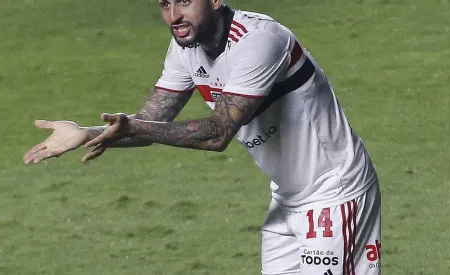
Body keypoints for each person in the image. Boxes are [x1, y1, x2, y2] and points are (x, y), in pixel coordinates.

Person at [23, 1, 381, 274]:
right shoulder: (185, 49)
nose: (174, 15)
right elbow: (151, 121)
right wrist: (85, 132)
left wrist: (133, 127)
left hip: (334, 193)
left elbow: (217, 133)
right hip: (287, 198)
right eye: (165, 4)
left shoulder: (260, 41)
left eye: (184, 2)